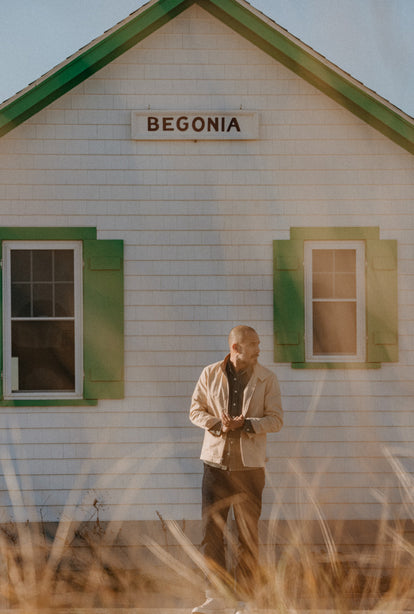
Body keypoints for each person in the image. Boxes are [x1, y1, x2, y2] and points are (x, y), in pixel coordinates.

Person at [189, 325, 283, 614]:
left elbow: (276, 420)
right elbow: (195, 410)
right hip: (215, 467)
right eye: (252, 344)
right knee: (211, 533)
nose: (258, 349)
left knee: (246, 535)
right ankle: (216, 597)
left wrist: (248, 425)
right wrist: (218, 424)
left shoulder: (267, 378)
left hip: (250, 470)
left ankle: (245, 600)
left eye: (258, 343)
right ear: (235, 348)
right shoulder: (209, 374)